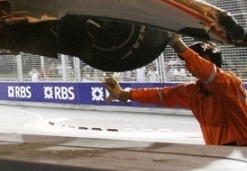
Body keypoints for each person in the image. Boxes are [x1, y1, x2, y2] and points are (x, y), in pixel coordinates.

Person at [103, 34, 247, 146]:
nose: (186, 67)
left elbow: (207, 72)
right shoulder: (195, 91)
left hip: (241, 150)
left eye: (188, 61)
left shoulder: (229, 82)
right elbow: (161, 95)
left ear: (207, 59)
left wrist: (178, 44)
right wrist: (123, 94)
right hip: (219, 153)